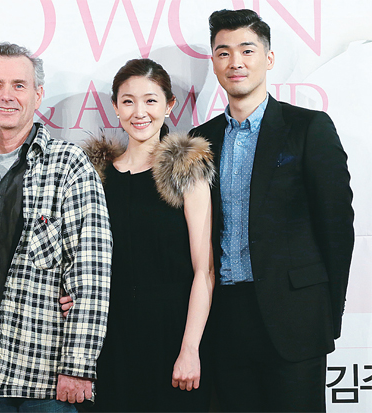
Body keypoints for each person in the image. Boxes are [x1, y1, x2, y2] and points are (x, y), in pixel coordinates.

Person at [189, 9, 355, 412]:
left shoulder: (308, 128)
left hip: (295, 318)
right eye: (224, 53)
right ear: (214, 62)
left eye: (247, 50)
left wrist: (326, 314)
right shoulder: (199, 140)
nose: (236, 62)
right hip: (226, 320)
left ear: (269, 58)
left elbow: (337, 228)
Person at [0, 42, 112, 412]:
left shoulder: (68, 164)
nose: (6, 95)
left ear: (38, 95)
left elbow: (91, 272)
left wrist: (78, 367)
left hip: (46, 382)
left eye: (19, 85)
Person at [74, 58, 215, 412]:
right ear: (115, 107)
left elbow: (204, 271)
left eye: (151, 100)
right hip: (110, 340)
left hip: (171, 335)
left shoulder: (187, 170)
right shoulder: (95, 176)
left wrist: (190, 349)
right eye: (128, 101)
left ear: (169, 105)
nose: (139, 112)